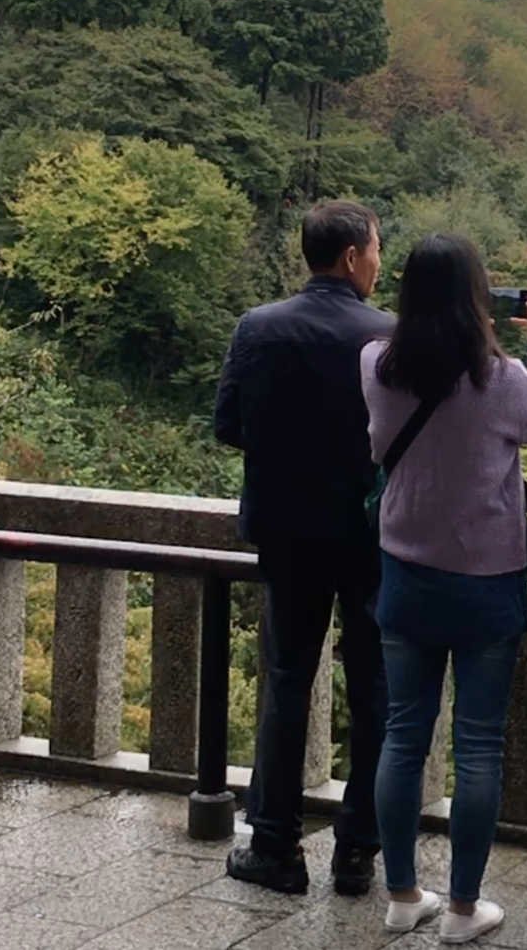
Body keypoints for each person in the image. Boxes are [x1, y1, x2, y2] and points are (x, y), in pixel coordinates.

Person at [362, 235, 527, 945]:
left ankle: (399, 894)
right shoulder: (501, 378)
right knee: (478, 745)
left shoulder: (375, 365)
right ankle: (460, 909)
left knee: (403, 735)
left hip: (405, 573)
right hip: (485, 580)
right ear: (480, 297)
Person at [214, 202, 394, 896]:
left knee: (287, 681)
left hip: (287, 532)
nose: (379, 263)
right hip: (370, 535)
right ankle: (358, 853)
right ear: (352, 257)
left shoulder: (259, 327)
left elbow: (229, 425)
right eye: (376, 250)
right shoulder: (390, 337)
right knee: (375, 689)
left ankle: (275, 847)